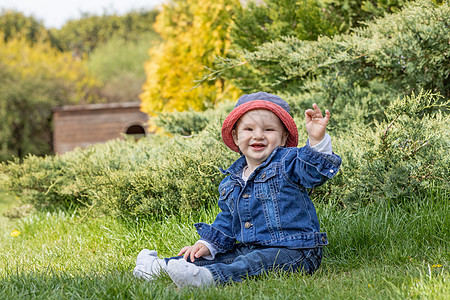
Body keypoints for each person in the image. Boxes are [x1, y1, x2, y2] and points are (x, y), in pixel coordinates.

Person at [134, 92, 341, 288]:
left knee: (254, 262)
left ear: (284, 137)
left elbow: (314, 173)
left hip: (295, 250)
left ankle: (208, 279)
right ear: (235, 136)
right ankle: (160, 267)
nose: (258, 135)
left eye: (269, 130)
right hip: (250, 248)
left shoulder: (288, 162)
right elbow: (227, 220)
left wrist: (316, 140)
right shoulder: (232, 181)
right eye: (249, 129)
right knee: (224, 256)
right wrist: (207, 244)